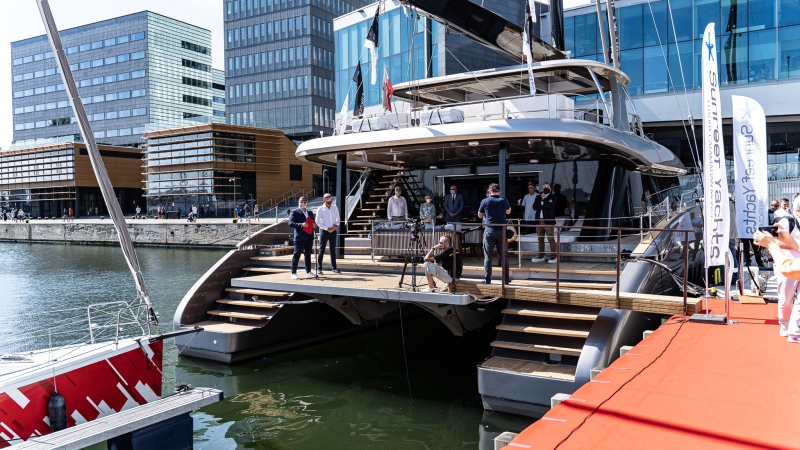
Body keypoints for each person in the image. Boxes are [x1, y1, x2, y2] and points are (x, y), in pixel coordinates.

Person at [754, 212, 800, 344]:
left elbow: (786, 267)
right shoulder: (788, 222)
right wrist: (785, 241)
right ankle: (787, 326)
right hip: (787, 263)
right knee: (785, 299)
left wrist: (771, 245)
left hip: (790, 265)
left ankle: (794, 331)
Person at [478, 183, 511, 284]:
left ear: (489, 191)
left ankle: (487, 280)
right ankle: (506, 279)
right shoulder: (504, 200)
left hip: (489, 231)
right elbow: (509, 212)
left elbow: (479, 215)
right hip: (502, 231)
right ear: (499, 191)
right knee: (504, 256)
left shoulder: (485, 201)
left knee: (488, 256)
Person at [288, 197, 316, 279]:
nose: (303, 203)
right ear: (298, 202)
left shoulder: (310, 212)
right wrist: (301, 225)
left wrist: (314, 225)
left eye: (305, 202)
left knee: (308, 255)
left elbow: (312, 222)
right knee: (297, 255)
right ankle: (293, 272)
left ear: (307, 203)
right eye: (301, 201)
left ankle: (308, 271)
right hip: (300, 237)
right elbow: (290, 223)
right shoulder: (294, 212)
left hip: (309, 236)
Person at [531, 182, 558, 263]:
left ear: (550, 189)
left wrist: (545, 199)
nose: (546, 188)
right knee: (540, 239)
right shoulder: (538, 197)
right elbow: (534, 207)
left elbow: (550, 206)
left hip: (548, 221)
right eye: (544, 187)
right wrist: (544, 206)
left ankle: (554, 256)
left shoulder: (553, 197)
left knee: (550, 238)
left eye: (547, 187)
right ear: (542, 189)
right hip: (539, 220)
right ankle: (541, 256)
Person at [315, 193, 341, 275]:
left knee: (332, 250)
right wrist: (327, 228)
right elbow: (317, 221)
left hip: (333, 231)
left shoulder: (335, 207)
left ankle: (334, 268)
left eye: (330, 197)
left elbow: (338, 218)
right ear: (324, 199)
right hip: (324, 231)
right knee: (321, 250)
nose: (329, 198)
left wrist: (335, 226)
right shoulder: (320, 209)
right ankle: (319, 269)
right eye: (327, 197)